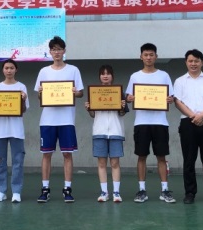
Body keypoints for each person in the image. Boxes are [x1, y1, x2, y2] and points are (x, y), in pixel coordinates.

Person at [34, 36, 84, 203]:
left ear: (64, 51)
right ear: (50, 52)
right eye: (54, 49)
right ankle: (45, 189)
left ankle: (67, 189)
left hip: (66, 120)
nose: (57, 52)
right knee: (46, 154)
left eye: (59, 49)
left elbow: (80, 93)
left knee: (67, 154)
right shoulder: (44, 71)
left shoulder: (74, 70)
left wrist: (75, 92)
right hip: (47, 120)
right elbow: (39, 95)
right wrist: (41, 93)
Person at [125, 43, 175, 204]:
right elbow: (128, 97)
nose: (148, 57)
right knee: (142, 156)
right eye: (145, 55)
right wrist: (129, 98)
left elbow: (171, 97)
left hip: (160, 123)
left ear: (156, 57)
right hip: (141, 123)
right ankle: (141, 190)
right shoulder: (135, 76)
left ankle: (165, 190)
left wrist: (169, 99)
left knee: (161, 157)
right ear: (141, 57)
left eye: (151, 54)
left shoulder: (164, 75)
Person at [173, 49, 203, 204]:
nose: (193, 64)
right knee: (189, 160)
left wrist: (202, 115)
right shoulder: (180, 81)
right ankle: (190, 193)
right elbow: (177, 102)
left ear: (202, 62)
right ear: (186, 62)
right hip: (188, 123)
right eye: (190, 61)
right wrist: (193, 116)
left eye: (196, 61)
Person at [0, 59, 28, 203]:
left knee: (18, 162)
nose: (9, 70)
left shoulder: (21, 87)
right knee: (0, 161)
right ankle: (1, 191)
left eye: (11, 68)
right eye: (6, 68)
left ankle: (16, 191)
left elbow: (23, 110)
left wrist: (23, 100)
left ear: (16, 70)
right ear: (3, 70)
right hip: (0, 131)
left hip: (16, 130)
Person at [85, 64, 127, 202]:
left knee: (115, 162)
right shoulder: (94, 93)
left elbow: (122, 113)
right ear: (99, 76)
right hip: (99, 131)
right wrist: (89, 108)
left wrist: (122, 106)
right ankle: (104, 192)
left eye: (108, 73)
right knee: (102, 163)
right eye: (103, 73)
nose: (105, 76)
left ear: (112, 76)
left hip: (116, 131)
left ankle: (116, 192)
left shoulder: (119, 93)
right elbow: (93, 115)